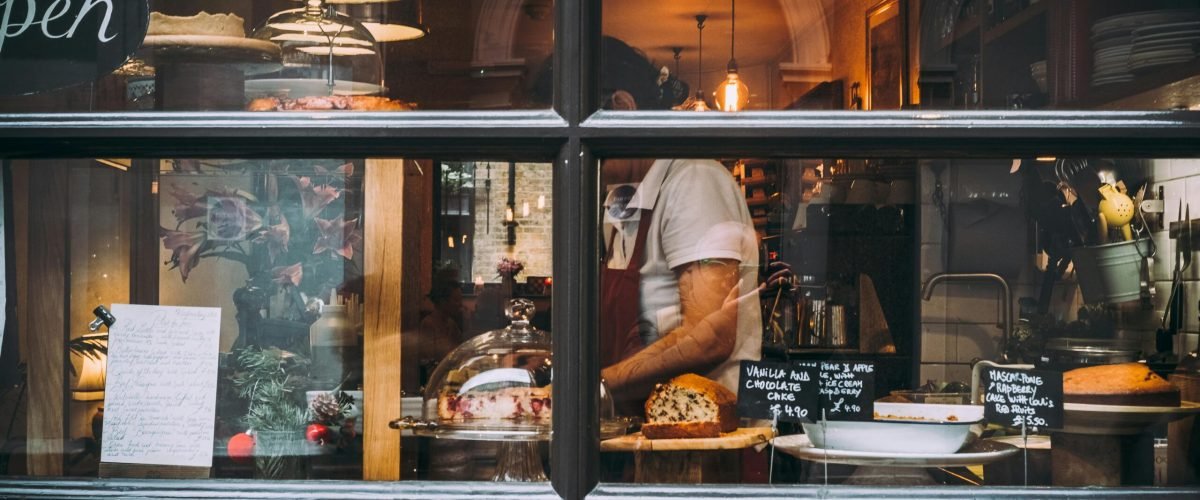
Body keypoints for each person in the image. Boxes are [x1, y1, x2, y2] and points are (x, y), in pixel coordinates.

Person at [539, 38, 764, 404]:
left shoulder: (694, 182)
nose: (574, 164)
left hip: (704, 441)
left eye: (576, 142)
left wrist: (591, 387)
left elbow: (709, 337)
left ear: (623, 107)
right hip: (640, 426)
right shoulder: (621, 195)